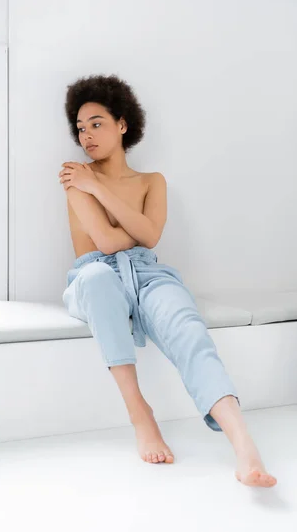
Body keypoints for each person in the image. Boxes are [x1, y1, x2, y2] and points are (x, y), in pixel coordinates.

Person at [59, 75, 277, 488]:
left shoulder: (151, 181)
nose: (86, 134)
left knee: (189, 330)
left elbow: (152, 239)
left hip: (148, 273)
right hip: (94, 271)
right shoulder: (74, 176)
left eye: (96, 123)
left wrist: (101, 190)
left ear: (122, 124)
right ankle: (140, 413)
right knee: (98, 280)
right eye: (81, 127)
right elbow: (105, 242)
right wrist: (135, 225)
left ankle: (244, 445)